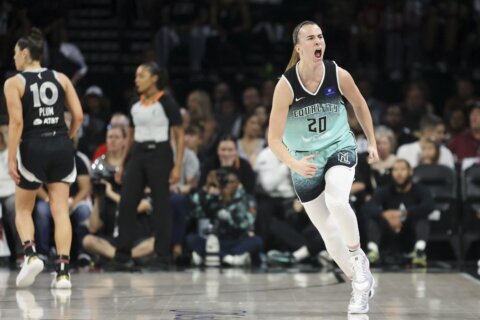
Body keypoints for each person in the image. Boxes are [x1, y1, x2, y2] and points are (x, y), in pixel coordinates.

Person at [267, 21, 379, 314]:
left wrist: (373, 141)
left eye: (320, 36)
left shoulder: (338, 74)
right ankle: (360, 279)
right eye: (310, 38)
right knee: (328, 232)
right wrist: (293, 163)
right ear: (298, 47)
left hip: (339, 147)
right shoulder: (286, 85)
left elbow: (360, 104)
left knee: (337, 200)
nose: (318, 41)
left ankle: (357, 260)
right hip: (305, 161)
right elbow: (273, 139)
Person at [4, 28, 83, 288]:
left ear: (26, 53)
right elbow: (79, 116)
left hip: (33, 145)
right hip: (61, 143)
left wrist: (12, 156)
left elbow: (16, 122)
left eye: (15, 53)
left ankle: (30, 254)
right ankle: (63, 272)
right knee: (60, 210)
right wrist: (68, 138)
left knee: (23, 208)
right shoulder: (61, 78)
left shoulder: (14, 82)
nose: (13, 58)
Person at [113, 62, 184, 270]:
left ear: (154, 78)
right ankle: (122, 255)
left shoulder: (167, 102)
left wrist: (177, 166)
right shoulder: (135, 103)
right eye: (136, 75)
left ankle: (162, 256)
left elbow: (179, 136)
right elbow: (131, 136)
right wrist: (122, 163)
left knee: (161, 205)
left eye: (141, 75)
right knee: (127, 202)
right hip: (138, 153)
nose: (137, 79)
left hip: (160, 153)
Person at [362, 159, 434, 268]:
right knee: (373, 218)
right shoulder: (385, 190)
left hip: (410, 230)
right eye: (395, 170)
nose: (399, 173)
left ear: (410, 172)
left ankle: (419, 252)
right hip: (389, 230)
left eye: (403, 169)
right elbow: (369, 207)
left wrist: (404, 213)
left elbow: (429, 205)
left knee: (422, 217)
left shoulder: (419, 189)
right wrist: (385, 214)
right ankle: (372, 251)